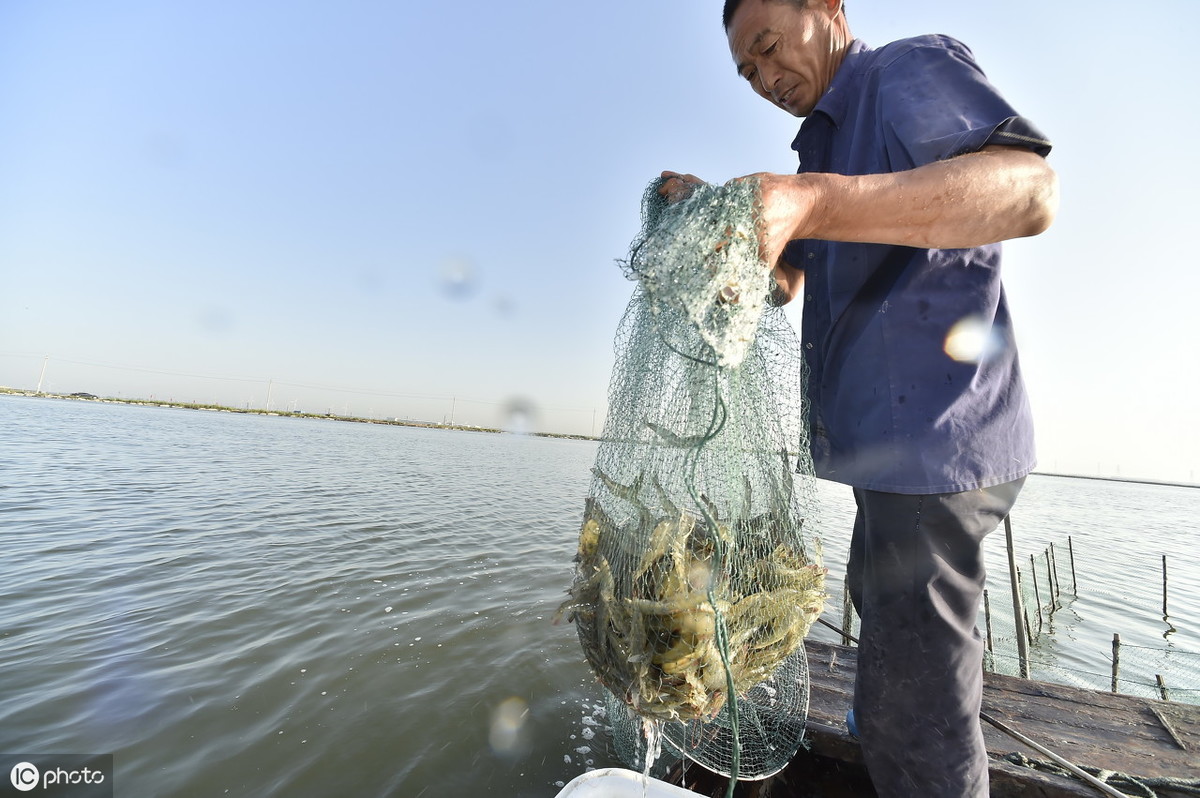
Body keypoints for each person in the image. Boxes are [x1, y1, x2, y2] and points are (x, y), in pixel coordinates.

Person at [661, 1, 1059, 795]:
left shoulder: (903, 72)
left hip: (940, 451)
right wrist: (724, 218)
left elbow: (1028, 191)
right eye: (748, 72)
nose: (767, 78)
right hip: (890, 464)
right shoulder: (822, 145)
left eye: (772, 48)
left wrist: (811, 200)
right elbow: (785, 283)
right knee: (891, 660)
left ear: (829, 9)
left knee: (916, 727)